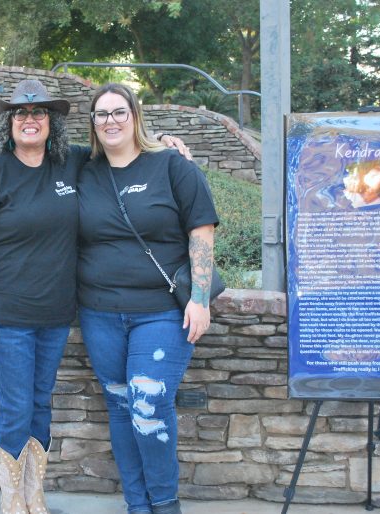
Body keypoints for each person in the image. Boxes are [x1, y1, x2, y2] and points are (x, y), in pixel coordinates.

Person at [0, 79, 190, 514]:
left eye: (39, 113)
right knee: (15, 409)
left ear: (52, 122)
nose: (30, 120)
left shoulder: (73, 163)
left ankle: (36, 496)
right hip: (7, 314)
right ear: (9, 123)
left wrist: (161, 141)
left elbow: (120, 145)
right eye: (21, 114)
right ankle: (14, 500)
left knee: (41, 404)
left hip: (55, 315)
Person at [76, 83, 219, 514]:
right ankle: (137, 505)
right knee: (121, 408)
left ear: (135, 116)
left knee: (149, 405)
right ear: (93, 124)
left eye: (119, 112)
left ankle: (165, 503)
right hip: (98, 312)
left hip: (159, 313)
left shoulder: (172, 165)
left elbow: (202, 233)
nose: (111, 121)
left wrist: (201, 297)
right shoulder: (82, 170)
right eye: (101, 115)